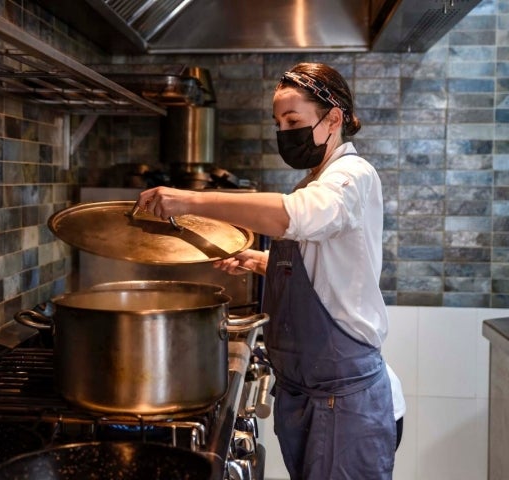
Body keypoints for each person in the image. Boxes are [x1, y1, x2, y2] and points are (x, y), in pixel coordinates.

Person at [137, 62, 405, 479]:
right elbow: (321, 272)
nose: (284, 131)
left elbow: (294, 217)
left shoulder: (353, 176)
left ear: (333, 118)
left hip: (345, 401)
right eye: (278, 121)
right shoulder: (314, 182)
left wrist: (190, 200)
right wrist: (258, 261)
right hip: (308, 394)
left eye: (293, 120)